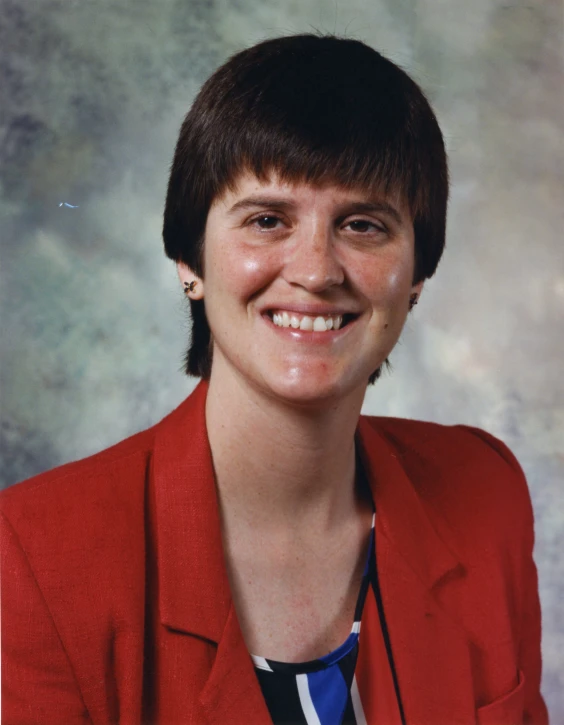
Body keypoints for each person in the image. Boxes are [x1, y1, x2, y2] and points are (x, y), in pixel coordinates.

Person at [1, 33, 548, 725]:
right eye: (267, 219)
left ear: (416, 277)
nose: (316, 270)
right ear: (188, 260)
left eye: (362, 224)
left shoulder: (485, 495)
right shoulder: (35, 558)